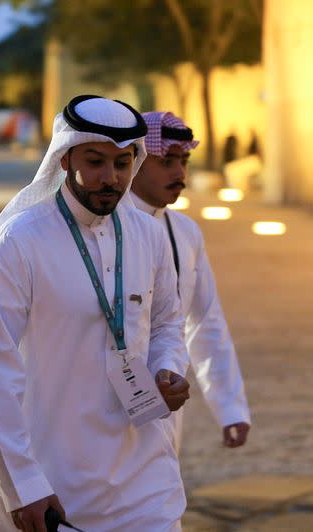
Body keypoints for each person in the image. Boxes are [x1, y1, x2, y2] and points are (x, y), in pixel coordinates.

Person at [0, 95, 191, 532]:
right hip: (52, 475)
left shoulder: (148, 235)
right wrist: (23, 485)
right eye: (95, 162)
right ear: (66, 158)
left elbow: (167, 321)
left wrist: (167, 368)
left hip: (144, 476)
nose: (110, 178)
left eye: (123, 163)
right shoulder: (18, 241)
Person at [128, 111, 251, 451]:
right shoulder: (103, 228)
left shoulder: (185, 232)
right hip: (100, 407)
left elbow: (204, 321)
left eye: (184, 160)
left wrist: (230, 406)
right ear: (134, 162)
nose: (180, 173)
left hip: (167, 402)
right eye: (166, 160)